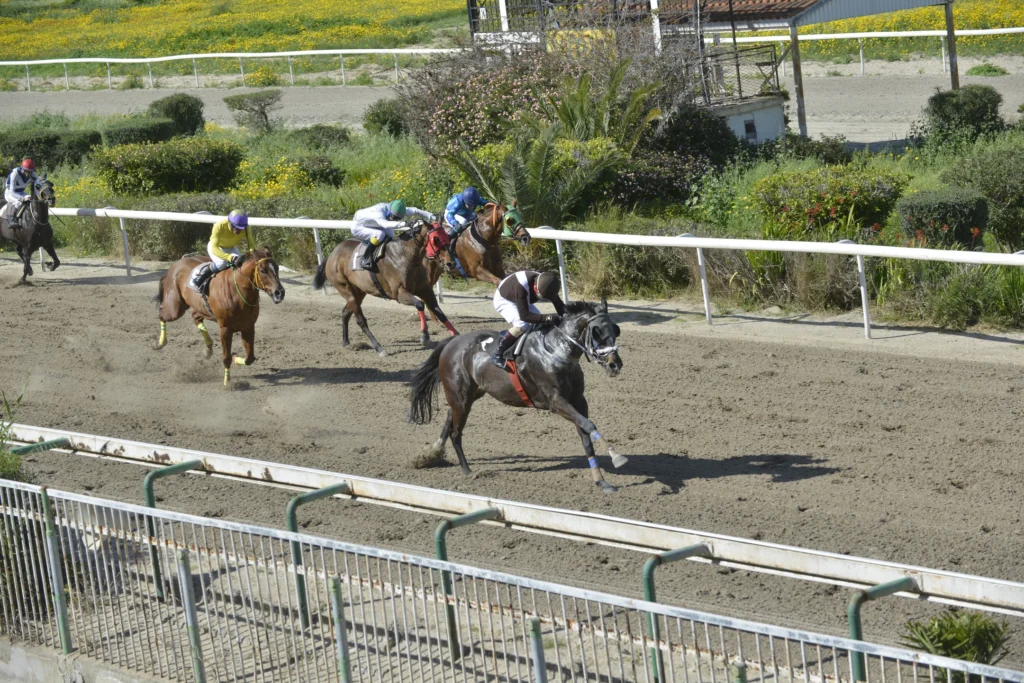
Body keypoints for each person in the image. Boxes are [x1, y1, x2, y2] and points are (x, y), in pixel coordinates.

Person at [489, 270, 566, 369]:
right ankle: (498, 354)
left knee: (538, 322)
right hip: (504, 299)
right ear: (535, 287)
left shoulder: (547, 282)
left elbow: (560, 308)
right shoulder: (521, 287)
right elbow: (524, 316)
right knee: (522, 324)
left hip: (520, 298)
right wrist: (549, 317)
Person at [352, 199, 435, 271]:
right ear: (389, 212)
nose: (396, 220)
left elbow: (415, 210)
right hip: (359, 227)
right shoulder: (378, 213)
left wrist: (431, 216)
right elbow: (386, 225)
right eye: (394, 218)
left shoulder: (395, 210)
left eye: (398, 219)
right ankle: (365, 258)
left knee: (391, 234)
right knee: (380, 234)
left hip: (374, 224)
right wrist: (405, 223)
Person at [192, 210, 255, 295]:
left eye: (241, 228)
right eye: (236, 227)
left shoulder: (246, 228)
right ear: (230, 223)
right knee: (221, 263)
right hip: (216, 248)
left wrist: (252, 254)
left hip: (231, 248)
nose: (239, 231)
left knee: (242, 264)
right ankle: (200, 278)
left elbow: (251, 245)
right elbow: (214, 248)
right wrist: (229, 257)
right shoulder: (219, 226)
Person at [4, 158, 41, 229]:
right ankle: (12, 220)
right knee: (18, 202)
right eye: (27, 171)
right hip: (9, 193)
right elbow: (12, 192)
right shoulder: (14, 174)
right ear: (22, 168)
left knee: (31, 199)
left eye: (30, 172)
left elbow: (39, 180)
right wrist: (23, 198)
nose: (28, 174)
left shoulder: (32, 174)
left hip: (20, 192)